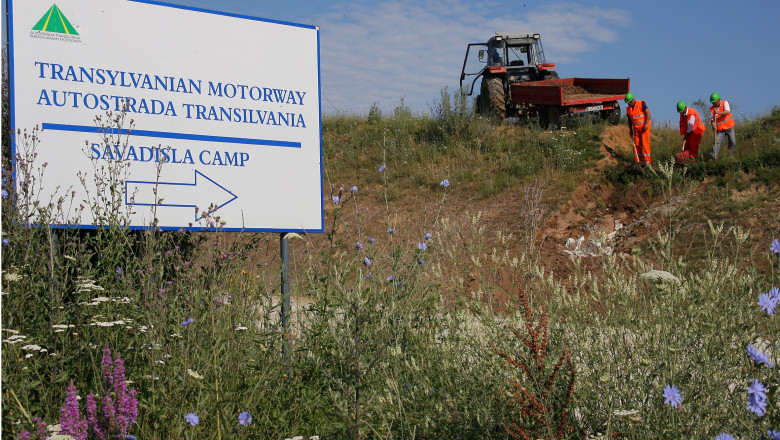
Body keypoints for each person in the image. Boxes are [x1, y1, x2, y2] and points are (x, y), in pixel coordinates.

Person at [624, 92, 652, 163]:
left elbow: (648, 112)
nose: (629, 104)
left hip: (644, 128)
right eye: (627, 103)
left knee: (645, 145)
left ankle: (647, 163)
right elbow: (629, 120)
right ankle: (638, 163)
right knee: (636, 146)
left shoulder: (640, 104)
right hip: (636, 129)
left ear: (633, 99)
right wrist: (631, 130)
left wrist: (646, 124)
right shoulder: (628, 109)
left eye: (629, 102)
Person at [709, 92, 737, 159]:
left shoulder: (725, 103)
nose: (713, 104)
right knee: (717, 143)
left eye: (714, 102)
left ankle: (731, 156)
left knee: (732, 141)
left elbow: (727, 112)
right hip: (720, 129)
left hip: (729, 126)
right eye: (712, 102)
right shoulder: (712, 109)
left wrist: (718, 112)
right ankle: (714, 158)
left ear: (718, 100)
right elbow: (712, 119)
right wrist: (713, 125)